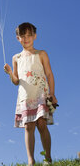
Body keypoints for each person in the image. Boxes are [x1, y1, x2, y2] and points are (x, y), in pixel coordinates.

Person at [4, 22, 58, 166]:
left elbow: (49, 74)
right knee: (28, 126)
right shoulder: (16, 58)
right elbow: (16, 81)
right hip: (25, 96)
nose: (26, 38)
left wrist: (52, 93)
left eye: (29, 35)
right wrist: (10, 73)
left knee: (41, 124)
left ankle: (48, 157)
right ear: (18, 38)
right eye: (22, 36)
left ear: (35, 36)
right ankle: (31, 160)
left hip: (41, 93)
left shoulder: (41, 53)